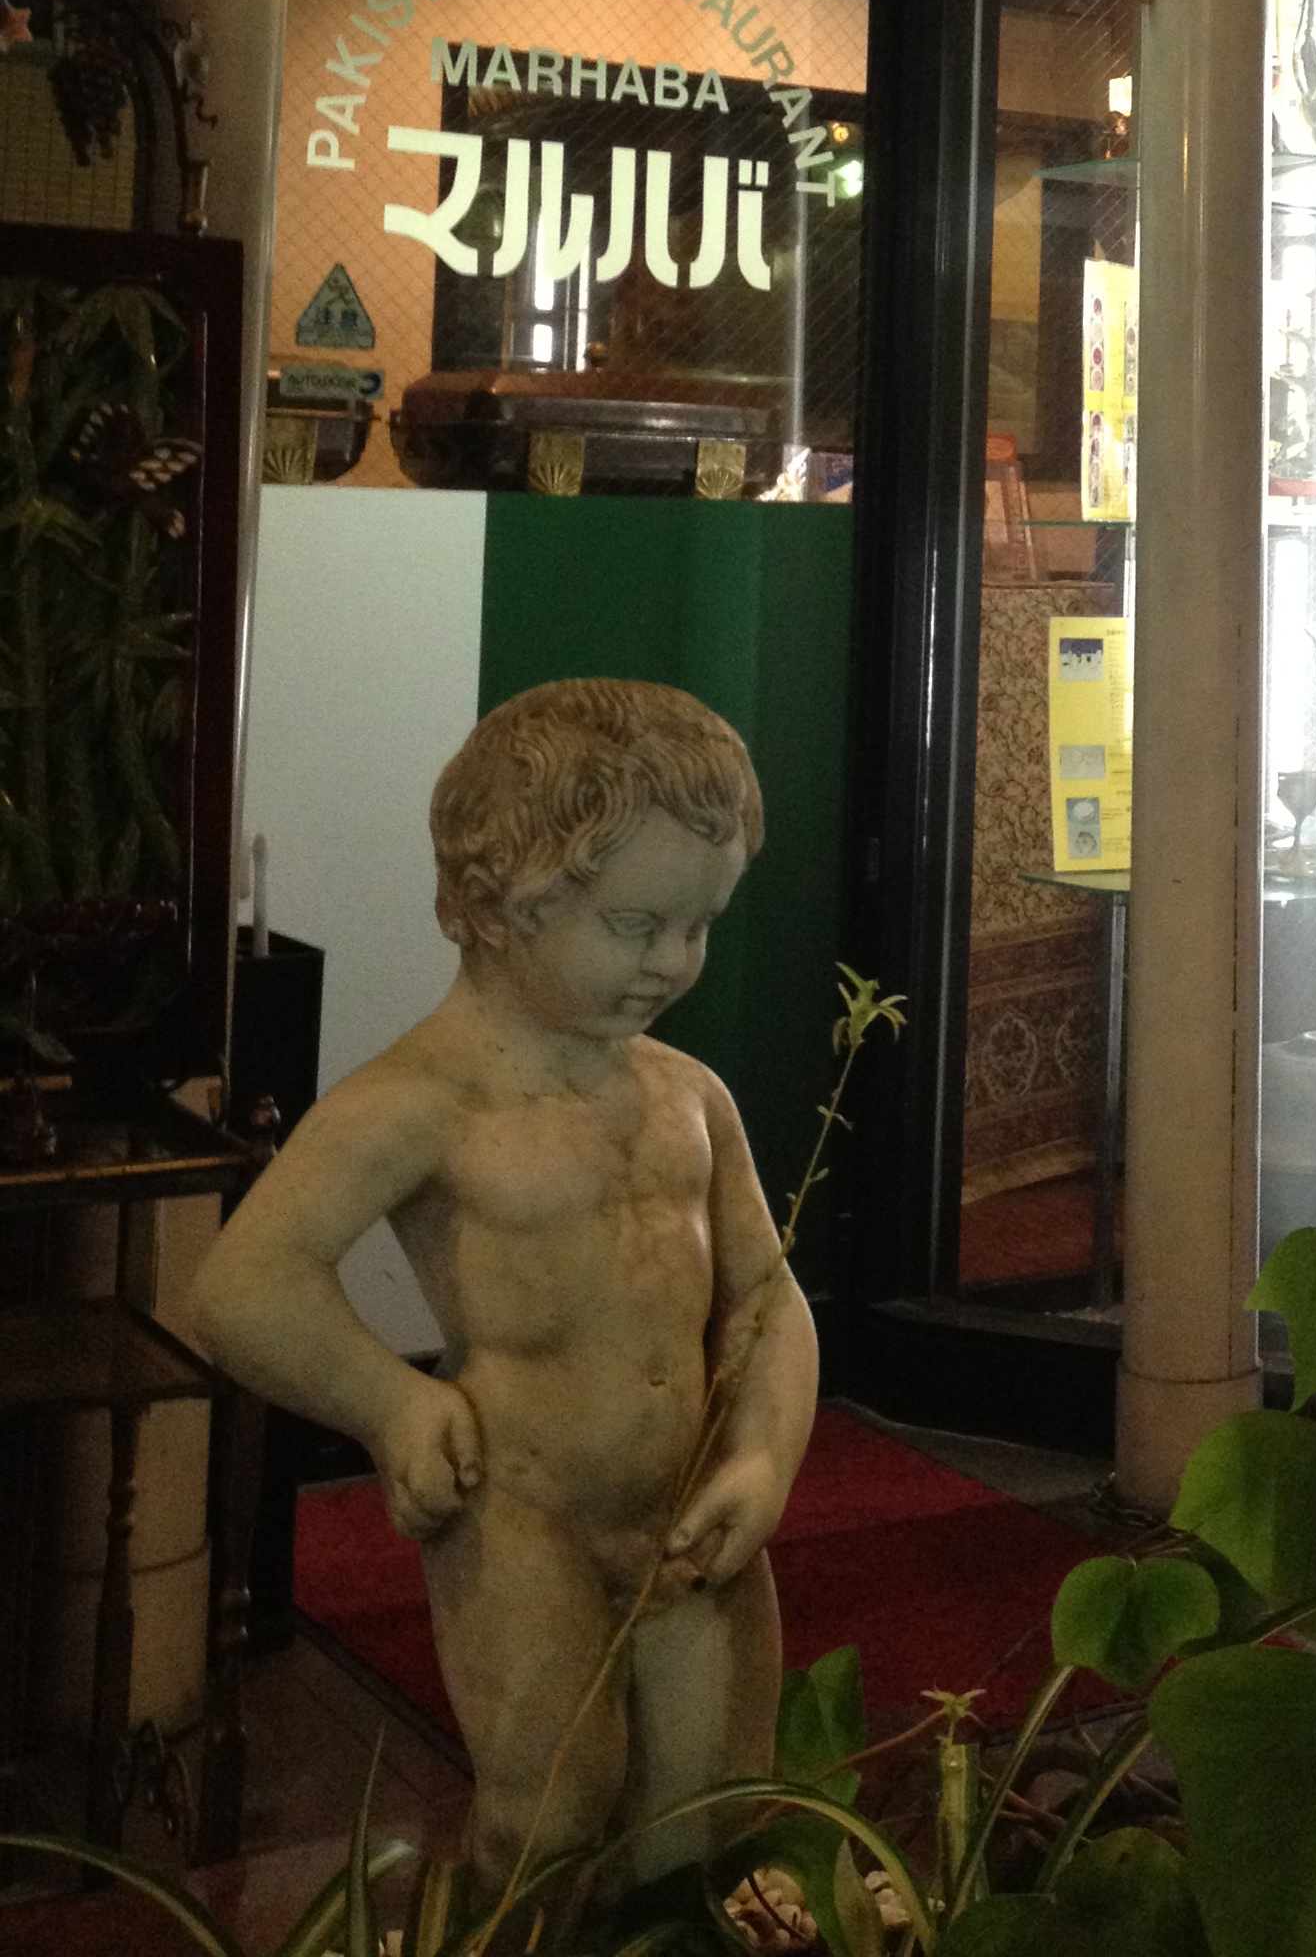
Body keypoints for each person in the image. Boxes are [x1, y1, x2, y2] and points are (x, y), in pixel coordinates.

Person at [193, 680, 815, 1908]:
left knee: (711, 1810)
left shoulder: (689, 1098)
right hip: (525, 1518)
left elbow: (764, 1297)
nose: (673, 961)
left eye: (698, 926)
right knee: (551, 1813)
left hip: (689, 1514)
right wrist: (389, 1401)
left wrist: (764, 1458)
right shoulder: (422, 1103)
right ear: (499, 904)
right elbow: (240, 1286)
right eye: (636, 924)